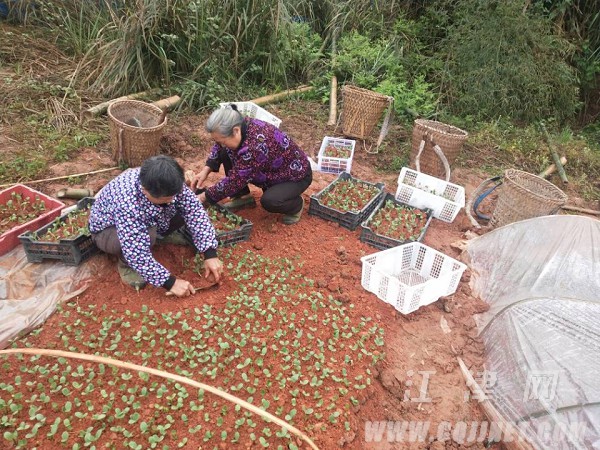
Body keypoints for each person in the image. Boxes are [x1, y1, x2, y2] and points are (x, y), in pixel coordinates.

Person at [89, 155, 223, 297]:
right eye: (166, 198)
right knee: (148, 233)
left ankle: (162, 234)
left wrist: (210, 253)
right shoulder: (128, 203)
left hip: (152, 217)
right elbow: (136, 252)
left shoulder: (168, 180)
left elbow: (194, 210)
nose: (172, 200)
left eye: (173, 195)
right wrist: (171, 283)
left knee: (183, 206)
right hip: (108, 232)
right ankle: (126, 265)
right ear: (145, 190)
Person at [191, 104, 312, 224]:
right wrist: (206, 170)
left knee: (270, 201)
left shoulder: (255, 146)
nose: (220, 144)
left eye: (223, 141)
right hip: (271, 170)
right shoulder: (237, 124)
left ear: (236, 131)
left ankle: (296, 206)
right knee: (225, 152)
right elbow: (219, 144)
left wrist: (202, 197)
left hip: (294, 176)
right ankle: (243, 197)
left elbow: (235, 180)